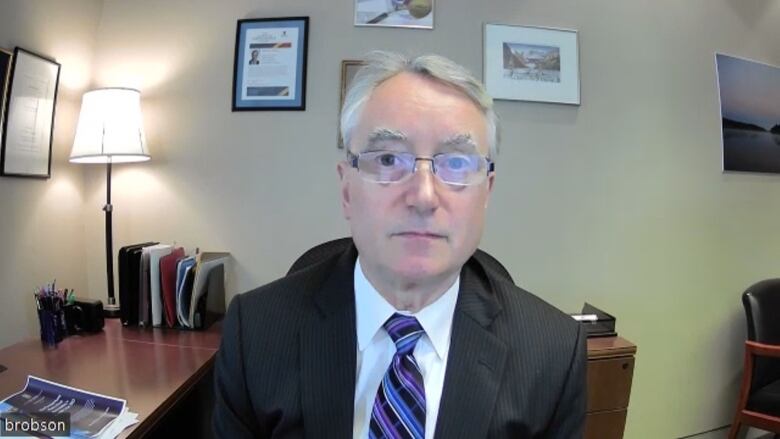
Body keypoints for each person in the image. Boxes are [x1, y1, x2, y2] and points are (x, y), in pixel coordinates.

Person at [213, 51, 586, 439]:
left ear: (486, 192)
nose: (423, 197)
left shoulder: (554, 353)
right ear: (346, 190)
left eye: (456, 163)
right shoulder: (255, 333)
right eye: (389, 158)